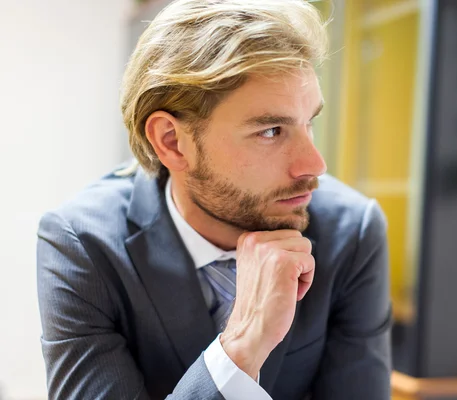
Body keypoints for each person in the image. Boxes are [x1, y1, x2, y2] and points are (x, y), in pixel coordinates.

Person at [36, 0, 392, 399]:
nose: (315, 164)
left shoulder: (353, 231)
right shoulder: (82, 244)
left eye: (309, 123)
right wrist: (240, 350)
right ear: (172, 142)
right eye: (272, 131)